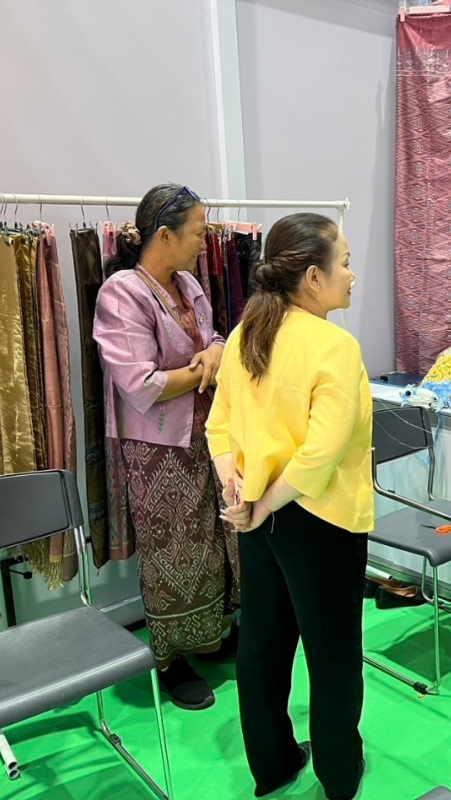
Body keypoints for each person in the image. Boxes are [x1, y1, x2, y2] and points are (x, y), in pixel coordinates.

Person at [207, 213, 371, 800]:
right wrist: (257, 503)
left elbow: (218, 426)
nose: (352, 274)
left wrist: (240, 493)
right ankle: (339, 775)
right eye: (344, 262)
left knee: (263, 647)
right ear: (312, 277)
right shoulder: (335, 347)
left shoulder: (246, 333)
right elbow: (317, 459)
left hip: (260, 517)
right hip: (320, 521)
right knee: (333, 658)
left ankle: (273, 766)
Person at [94, 184, 240, 711]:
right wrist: (204, 369)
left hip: (204, 434)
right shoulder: (122, 294)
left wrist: (215, 353)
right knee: (170, 551)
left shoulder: (188, 284)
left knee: (213, 541)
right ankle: (170, 657)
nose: (205, 242)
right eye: (198, 233)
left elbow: (214, 337)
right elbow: (140, 383)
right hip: (156, 448)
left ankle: (211, 636)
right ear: (164, 235)